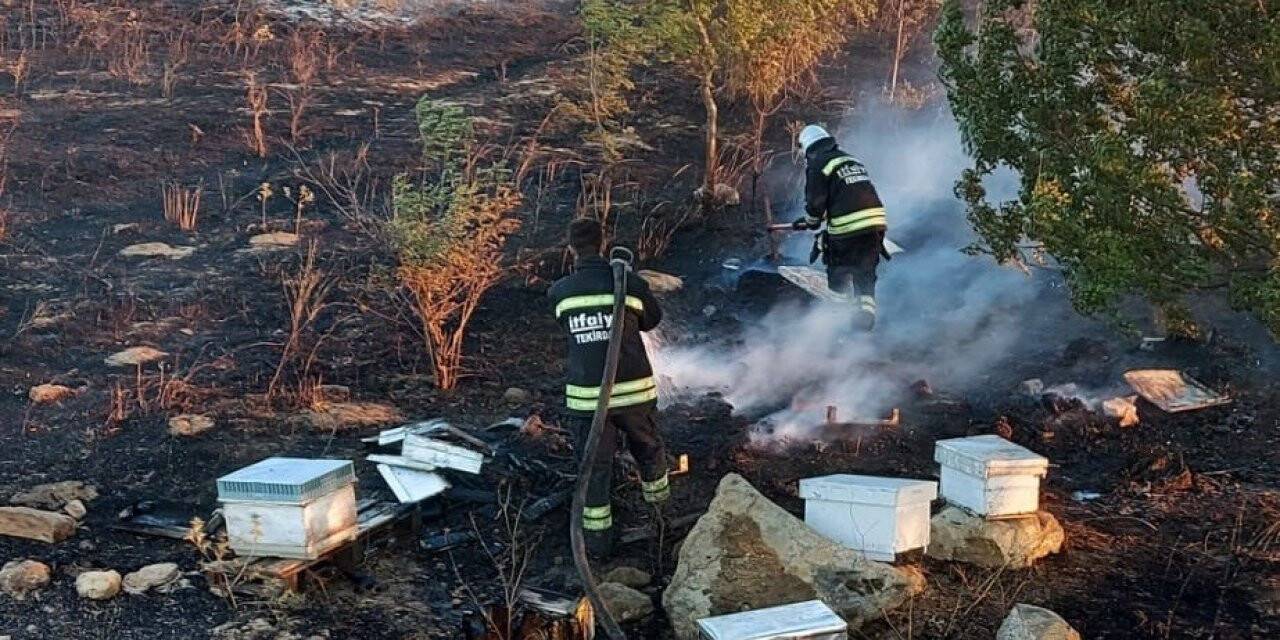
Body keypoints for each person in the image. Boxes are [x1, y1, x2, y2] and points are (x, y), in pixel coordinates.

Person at [548, 218, 670, 559]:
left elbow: (565, 325)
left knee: (595, 467)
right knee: (648, 452)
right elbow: (652, 321)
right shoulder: (628, 284)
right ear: (603, 243)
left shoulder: (560, 291)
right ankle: (660, 522)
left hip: (588, 400)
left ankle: (598, 546)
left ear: (571, 248)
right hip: (634, 394)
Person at [794, 124, 888, 330]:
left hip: (849, 227)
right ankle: (865, 318)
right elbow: (846, 196)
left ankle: (838, 320)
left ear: (807, 147)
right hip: (875, 224)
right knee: (865, 272)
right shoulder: (849, 159)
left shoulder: (818, 164)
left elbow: (816, 202)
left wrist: (810, 221)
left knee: (839, 270)